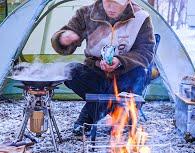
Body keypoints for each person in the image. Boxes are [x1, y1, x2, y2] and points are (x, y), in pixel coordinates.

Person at [51, 0, 155, 135]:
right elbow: (65, 37)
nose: (111, 7)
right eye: (107, 2)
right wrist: (63, 39)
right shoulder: (86, 13)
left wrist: (120, 61)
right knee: (70, 71)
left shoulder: (141, 18)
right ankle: (118, 112)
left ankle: (90, 115)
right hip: (96, 73)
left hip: (125, 74)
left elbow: (146, 51)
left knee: (140, 73)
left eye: (116, 3)